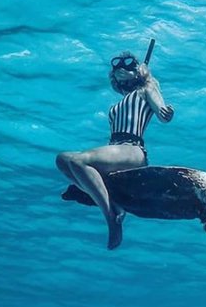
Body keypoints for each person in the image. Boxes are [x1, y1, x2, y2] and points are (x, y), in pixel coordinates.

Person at [56, 51, 174, 250]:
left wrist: (166, 111)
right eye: (117, 66)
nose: (121, 68)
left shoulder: (147, 88)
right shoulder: (119, 103)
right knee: (62, 159)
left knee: (78, 161)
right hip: (116, 150)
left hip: (133, 150)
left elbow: (162, 113)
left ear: (137, 70)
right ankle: (111, 202)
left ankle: (111, 216)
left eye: (128, 65)